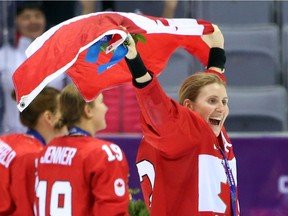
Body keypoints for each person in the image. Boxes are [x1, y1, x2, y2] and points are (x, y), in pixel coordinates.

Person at [124, 25, 240, 215]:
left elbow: (213, 86)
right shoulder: (185, 133)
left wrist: (217, 50)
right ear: (188, 107)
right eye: (212, 101)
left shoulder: (207, 130)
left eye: (225, 101)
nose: (221, 108)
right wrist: (135, 61)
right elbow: (156, 106)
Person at [34, 83, 130, 215]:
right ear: (88, 111)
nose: (106, 108)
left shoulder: (47, 150)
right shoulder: (104, 153)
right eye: (102, 102)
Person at [0, 2, 68, 134]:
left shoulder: (60, 54)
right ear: (15, 21)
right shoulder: (4, 56)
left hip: (53, 136)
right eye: (26, 17)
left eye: (37, 16)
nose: (33, 21)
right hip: (13, 135)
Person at [0, 86, 67, 215]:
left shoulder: (5, 140)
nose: (69, 122)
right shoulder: (35, 157)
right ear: (49, 117)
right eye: (64, 115)